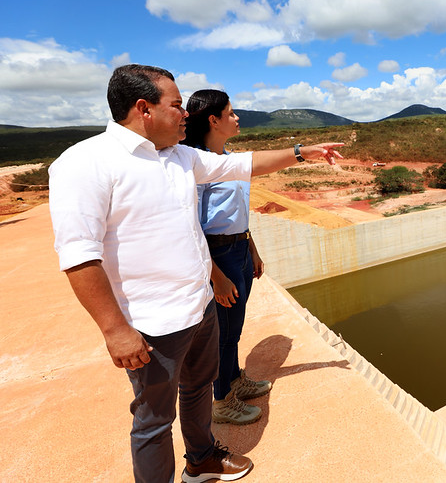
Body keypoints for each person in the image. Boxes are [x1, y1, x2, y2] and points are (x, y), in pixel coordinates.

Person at [49, 64, 344, 483]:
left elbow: (243, 164)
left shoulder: (180, 156)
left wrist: (302, 152)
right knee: (153, 420)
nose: (185, 113)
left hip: (199, 308)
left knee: (198, 389)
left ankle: (202, 459)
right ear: (143, 108)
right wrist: (114, 329)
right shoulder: (85, 163)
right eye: (175, 104)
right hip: (152, 323)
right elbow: (79, 255)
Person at [180, 89, 269, 425]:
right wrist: (216, 277)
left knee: (234, 328)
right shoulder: (197, 166)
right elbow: (192, 228)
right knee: (223, 334)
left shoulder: (228, 159)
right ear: (213, 120)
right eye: (230, 113)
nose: (237, 118)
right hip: (218, 255)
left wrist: (251, 248)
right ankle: (221, 402)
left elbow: (238, 213)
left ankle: (234, 381)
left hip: (239, 250)